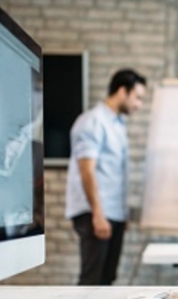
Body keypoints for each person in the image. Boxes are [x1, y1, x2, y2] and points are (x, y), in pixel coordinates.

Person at [65, 68, 147, 286]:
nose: (139, 105)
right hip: (95, 212)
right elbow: (87, 169)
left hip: (113, 212)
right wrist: (98, 214)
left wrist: (121, 214)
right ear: (122, 91)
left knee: (106, 279)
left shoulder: (118, 125)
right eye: (137, 97)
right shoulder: (93, 121)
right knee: (92, 279)